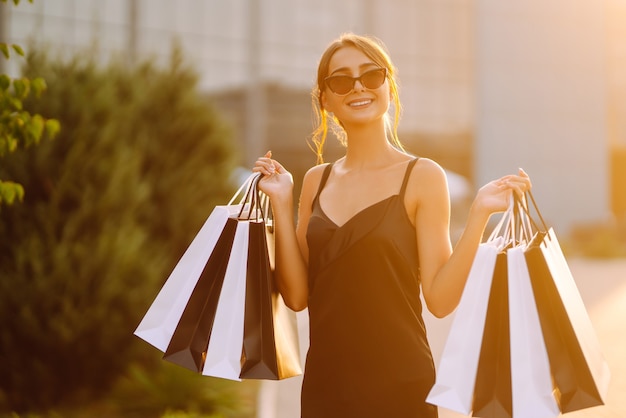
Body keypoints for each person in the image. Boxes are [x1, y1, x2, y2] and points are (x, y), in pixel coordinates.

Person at [253, 33, 531, 418]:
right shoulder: (316, 181)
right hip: (326, 388)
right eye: (341, 80)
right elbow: (298, 296)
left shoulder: (422, 176)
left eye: (371, 74)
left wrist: (480, 213)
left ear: (388, 86)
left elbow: (439, 299)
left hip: (402, 387)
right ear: (325, 100)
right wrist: (281, 204)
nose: (357, 87)